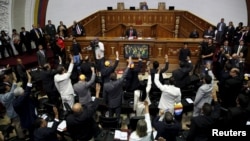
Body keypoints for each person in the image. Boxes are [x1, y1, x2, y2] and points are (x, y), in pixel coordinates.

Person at [0, 72, 25, 139]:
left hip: (10, 112)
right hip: (13, 112)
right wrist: (14, 81)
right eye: (7, 87)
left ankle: (18, 133)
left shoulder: (1, 95)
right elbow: (11, 93)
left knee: (16, 124)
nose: (8, 87)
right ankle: (22, 137)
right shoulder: (6, 96)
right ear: (5, 90)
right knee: (18, 125)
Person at [13, 70, 37, 140]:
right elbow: (26, 93)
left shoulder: (21, 99)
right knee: (33, 134)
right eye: (23, 91)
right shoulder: (17, 103)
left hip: (31, 117)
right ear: (20, 95)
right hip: (29, 121)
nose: (24, 92)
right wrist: (29, 79)